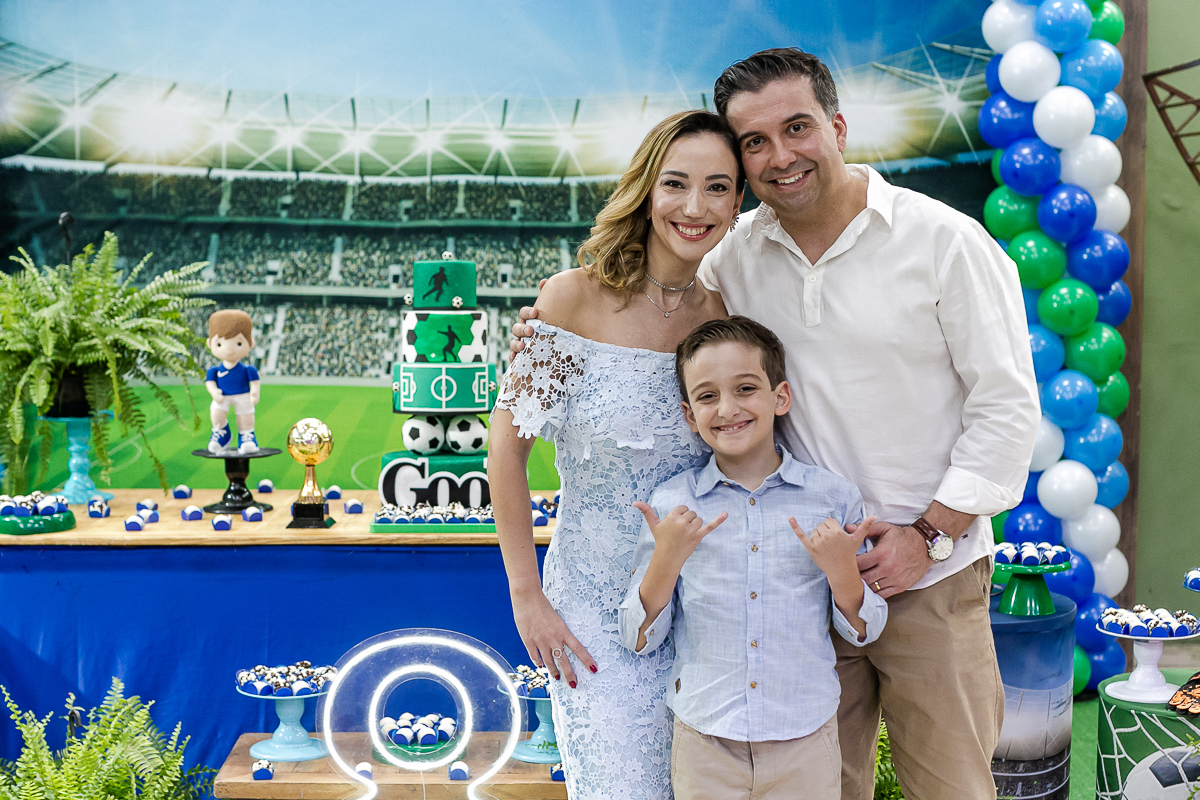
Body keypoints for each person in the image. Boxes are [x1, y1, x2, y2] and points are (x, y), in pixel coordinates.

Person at [512, 48, 1040, 800]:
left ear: (838, 126)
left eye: (797, 129)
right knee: (825, 787)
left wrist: (930, 533)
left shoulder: (943, 241)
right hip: (790, 581)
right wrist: (547, 325)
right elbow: (646, 300)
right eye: (755, 143)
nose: (780, 157)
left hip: (928, 569)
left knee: (950, 786)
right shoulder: (733, 256)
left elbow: (1008, 405)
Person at [488, 109, 742, 799]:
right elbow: (505, 453)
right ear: (644, 190)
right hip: (593, 619)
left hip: (706, 614)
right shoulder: (569, 300)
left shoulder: (725, 316)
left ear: (738, 202)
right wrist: (527, 597)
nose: (696, 207)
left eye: (718, 187)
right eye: (676, 184)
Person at [618, 317, 887, 800]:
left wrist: (842, 569)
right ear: (687, 414)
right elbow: (637, 638)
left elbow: (865, 629)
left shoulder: (832, 498)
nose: (727, 409)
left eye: (745, 388)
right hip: (705, 739)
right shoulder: (671, 507)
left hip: (805, 734)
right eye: (706, 396)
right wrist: (667, 561)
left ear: (780, 397)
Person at [205, 309, 261, 455]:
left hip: (243, 394)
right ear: (209, 343)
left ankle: (247, 435)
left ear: (250, 343)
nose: (229, 350)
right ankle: (221, 431)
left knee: (246, 413)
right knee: (216, 411)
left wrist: (254, 393)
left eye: (238, 343)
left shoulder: (248, 369)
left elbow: (255, 382)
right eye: (219, 344)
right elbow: (210, 383)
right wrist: (214, 391)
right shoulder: (214, 370)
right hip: (222, 395)